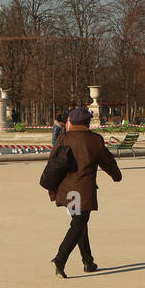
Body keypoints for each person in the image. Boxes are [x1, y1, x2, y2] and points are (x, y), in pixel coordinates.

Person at [46, 107, 122, 278]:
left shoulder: (64, 137)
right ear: (87, 122)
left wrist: (53, 190)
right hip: (83, 190)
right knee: (79, 223)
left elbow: (53, 162)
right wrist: (116, 176)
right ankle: (60, 258)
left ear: (71, 122)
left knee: (79, 222)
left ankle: (88, 261)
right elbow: (107, 161)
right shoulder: (94, 140)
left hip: (67, 189)